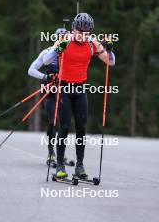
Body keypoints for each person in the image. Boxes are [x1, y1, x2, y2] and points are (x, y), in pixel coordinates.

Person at [43, 13, 115, 178]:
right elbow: (46, 61)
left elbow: (110, 62)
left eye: (86, 32)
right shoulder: (65, 39)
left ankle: (80, 166)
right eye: (79, 31)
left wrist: (110, 49)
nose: (83, 35)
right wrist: (57, 51)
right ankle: (60, 166)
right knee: (65, 127)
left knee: (82, 128)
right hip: (64, 89)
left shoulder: (92, 42)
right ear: (73, 29)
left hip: (80, 89)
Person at [28, 28, 67, 165]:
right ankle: (51, 153)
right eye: (60, 38)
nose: (62, 40)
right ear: (56, 39)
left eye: (65, 38)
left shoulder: (69, 53)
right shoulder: (48, 52)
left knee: (64, 123)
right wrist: (46, 76)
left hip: (64, 92)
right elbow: (31, 70)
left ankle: (61, 153)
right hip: (49, 92)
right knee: (53, 120)